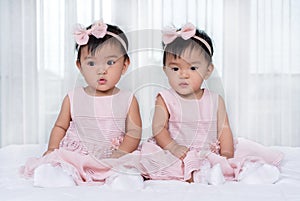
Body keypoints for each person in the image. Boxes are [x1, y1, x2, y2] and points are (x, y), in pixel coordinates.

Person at [140, 23, 283, 184]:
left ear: (208, 70)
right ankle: (202, 175)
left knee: (235, 155)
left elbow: (224, 129)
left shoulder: (214, 99)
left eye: (193, 68)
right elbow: (159, 129)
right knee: (155, 160)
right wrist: (173, 147)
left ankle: (249, 171)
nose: (184, 74)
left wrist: (227, 153)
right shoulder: (165, 98)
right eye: (175, 69)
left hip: (208, 152)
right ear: (165, 70)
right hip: (178, 152)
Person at [20, 20, 143, 187]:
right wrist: (52, 148)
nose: (101, 70)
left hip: (113, 155)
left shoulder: (127, 99)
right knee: (64, 162)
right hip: (78, 155)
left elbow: (134, 133)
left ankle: (123, 179)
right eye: (91, 63)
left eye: (110, 62)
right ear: (80, 66)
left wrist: (120, 154)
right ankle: (59, 176)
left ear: (125, 65)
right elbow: (60, 127)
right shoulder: (73, 97)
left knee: (126, 166)